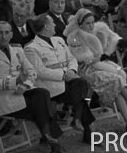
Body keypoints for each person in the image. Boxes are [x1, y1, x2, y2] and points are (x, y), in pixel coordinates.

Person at [0, 20, 64, 153]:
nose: (3, 36)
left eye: (7, 32)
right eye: (0, 33)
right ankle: (50, 138)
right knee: (40, 105)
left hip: (22, 92)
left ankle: (48, 137)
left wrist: (25, 85)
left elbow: (31, 71)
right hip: (3, 97)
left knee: (42, 94)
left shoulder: (17, 49)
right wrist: (15, 81)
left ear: (11, 34)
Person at [64, 9, 127, 131]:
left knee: (119, 75)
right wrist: (99, 56)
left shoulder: (98, 29)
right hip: (86, 70)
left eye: (92, 22)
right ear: (80, 24)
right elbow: (84, 58)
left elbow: (112, 37)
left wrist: (114, 45)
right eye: (88, 23)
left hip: (100, 63)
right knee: (116, 81)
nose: (91, 26)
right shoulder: (75, 37)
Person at [22, 14, 96, 142]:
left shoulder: (59, 40)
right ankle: (81, 124)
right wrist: (63, 75)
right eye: (52, 23)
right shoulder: (31, 48)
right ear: (46, 27)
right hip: (50, 87)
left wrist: (72, 70)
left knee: (82, 85)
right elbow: (39, 71)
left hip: (68, 80)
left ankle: (78, 120)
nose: (55, 25)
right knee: (82, 93)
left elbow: (71, 58)